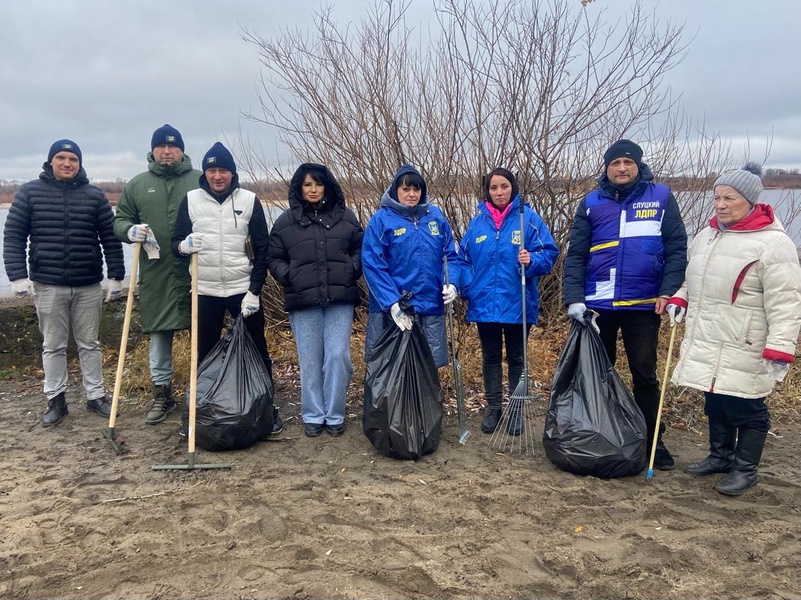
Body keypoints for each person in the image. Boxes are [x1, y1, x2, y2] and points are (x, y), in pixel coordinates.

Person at [666, 164, 801, 495]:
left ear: (751, 201)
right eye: (717, 197)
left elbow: (787, 301)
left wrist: (781, 347)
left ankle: (745, 469)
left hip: (746, 339)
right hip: (708, 335)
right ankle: (720, 456)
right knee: (715, 399)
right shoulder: (707, 235)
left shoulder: (773, 244)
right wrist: (680, 299)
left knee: (747, 405)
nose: (721, 204)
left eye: (730, 198)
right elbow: (693, 279)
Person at [563, 139, 687, 470]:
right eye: (615, 163)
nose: (621, 168)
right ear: (606, 168)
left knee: (644, 375)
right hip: (598, 305)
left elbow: (677, 247)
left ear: (638, 166)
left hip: (645, 305)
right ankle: (602, 435)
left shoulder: (661, 197)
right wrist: (574, 299)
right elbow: (575, 254)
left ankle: (653, 441)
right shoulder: (591, 202)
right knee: (598, 374)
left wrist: (671, 290)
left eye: (627, 163)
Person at [3, 139, 125, 426]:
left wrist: (116, 276)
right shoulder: (30, 193)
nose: (67, 163)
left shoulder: (94, 196)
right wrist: (17, 276)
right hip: (48, 283)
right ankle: (55, 400)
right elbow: (14, 236)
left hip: (88, 283)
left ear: (80, 164)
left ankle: (96, 396)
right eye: (61, 157)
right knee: (53, 345)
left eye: (72, 159)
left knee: (90, 343)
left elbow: (110, 238)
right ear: (51, 161)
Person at [171, 141, 282, 434]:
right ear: (205, 173)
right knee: (203, 353)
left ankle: (266, 408)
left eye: (223, 170)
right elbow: (175, 243)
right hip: (204, 291)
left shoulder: (249, 200)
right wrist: (183, 246)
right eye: (211, 170)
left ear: (232, 174)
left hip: (241, 290)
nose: (217, 176)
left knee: (257, 350)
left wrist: (255, 291)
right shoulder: (191, 200)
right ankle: (202, 410)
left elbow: (262, 249)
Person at [460, 168, 559, 436]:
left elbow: (549, 252)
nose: (499, 192)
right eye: (494, 188)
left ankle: (516, 410)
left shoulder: (529, 219)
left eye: (504, 186)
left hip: (518, 302)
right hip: (484, 304)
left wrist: (533, 261)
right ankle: (494, 409)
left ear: (512, 188)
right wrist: (468, 287)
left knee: (516, 358)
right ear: (487, 191)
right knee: (491, 357)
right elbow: (463, 259)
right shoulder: (477, 223)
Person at [113, 124, 201, 425]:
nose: (167, 151)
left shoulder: (199, 179)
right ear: (152, 150)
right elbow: (120, 219)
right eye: (161, 147)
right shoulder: (138, 185)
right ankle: (162, 393)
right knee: (160, 335)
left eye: (173, 147)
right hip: (156, 272)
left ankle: (200, 390)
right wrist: (129, 230)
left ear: (181, 150)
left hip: (195, 271)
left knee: (201, 332)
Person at [267, 163, 364, 437]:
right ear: (299, 188)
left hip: (339, 299)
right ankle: (313, 414)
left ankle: (334, 414)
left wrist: (350, 270)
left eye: (318, 184)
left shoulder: (346, 218)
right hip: (303, 300)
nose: (313, 189)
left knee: (337, 357)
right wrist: (290, 276)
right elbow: (273, 257)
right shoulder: (286, 221)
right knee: (310, 360)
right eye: (307, 185)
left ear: (327, 186)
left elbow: (360, 249)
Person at [362, 164, 460, 369]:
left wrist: (452, 283)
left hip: (431, 303)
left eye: (416, 189)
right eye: (406, 189)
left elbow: (450, 256)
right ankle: (398, 403)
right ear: (396, 190)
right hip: (395, 308)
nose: (412, 194)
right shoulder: (382, 220)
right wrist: (392, 303)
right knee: (393, 367)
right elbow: (372, 264)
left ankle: (426, 402)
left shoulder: (436, 217)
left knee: (428, 366)